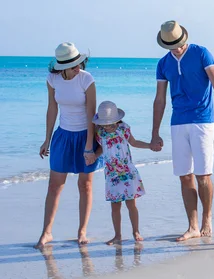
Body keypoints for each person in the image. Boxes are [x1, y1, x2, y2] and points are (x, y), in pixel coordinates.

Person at [151, 20, 214, 241]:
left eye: (178, 44)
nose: (176, 48)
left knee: (203, 175)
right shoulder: (163, 64)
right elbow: (159, 99)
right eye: (171, 45)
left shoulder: (202, 53)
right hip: (178, 122)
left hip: (202, 121)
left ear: (184, 39)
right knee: (185, 176)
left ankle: (207, 219)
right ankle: (192, 226)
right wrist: (155, 132)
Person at [36, 42, 100, 248]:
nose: (78, 67)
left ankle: (82, 231)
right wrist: (47, 139)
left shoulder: (86, 79)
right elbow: (51, 109)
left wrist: (90, 146)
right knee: (55, 185)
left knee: (85, 185)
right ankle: (47, 232)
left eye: (79, 62)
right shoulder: (52, 79)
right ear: (62, 66)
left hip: (85, 135)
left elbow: (92, 115)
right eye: (73, 64)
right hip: (63, 136)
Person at [93, 101, 148, 245]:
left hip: (127, 171)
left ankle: (136, 231)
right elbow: (101, 148)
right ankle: (117, 235)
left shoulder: (124, 129)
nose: (108, 126)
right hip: (112, 174)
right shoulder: (100, 133)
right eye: (105, 123)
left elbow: (134, 143)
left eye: (110, 123)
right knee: (115, 206)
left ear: (117, 120)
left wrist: (150, 146)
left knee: (131, 204)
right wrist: (92, 156)